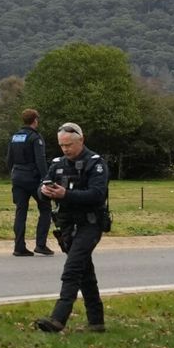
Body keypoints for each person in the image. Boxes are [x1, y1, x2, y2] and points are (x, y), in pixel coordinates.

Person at [34, 122, 110, 334]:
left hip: (90, 223)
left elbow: (97, 194)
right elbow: (43, 187)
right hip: (67, 225)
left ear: (81, 140)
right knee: (85, 273)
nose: (65, 149)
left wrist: (66, 194)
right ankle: (96, 322)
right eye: (62, 145)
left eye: (69, 144)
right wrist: (44, 191)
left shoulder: (95, 164)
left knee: (73, 268)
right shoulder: (57, 164)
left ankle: (58, 319)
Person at [6, 107, 54, 256]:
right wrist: (46, 179)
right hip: (32, 179)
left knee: (21, 212)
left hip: (17, 178)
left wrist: (13, 174)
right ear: (35, 121)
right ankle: (41, 244)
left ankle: (19, 247)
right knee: (45, 209)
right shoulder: (35, 138)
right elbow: (40, 160)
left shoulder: (15, 137)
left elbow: (9, 159)